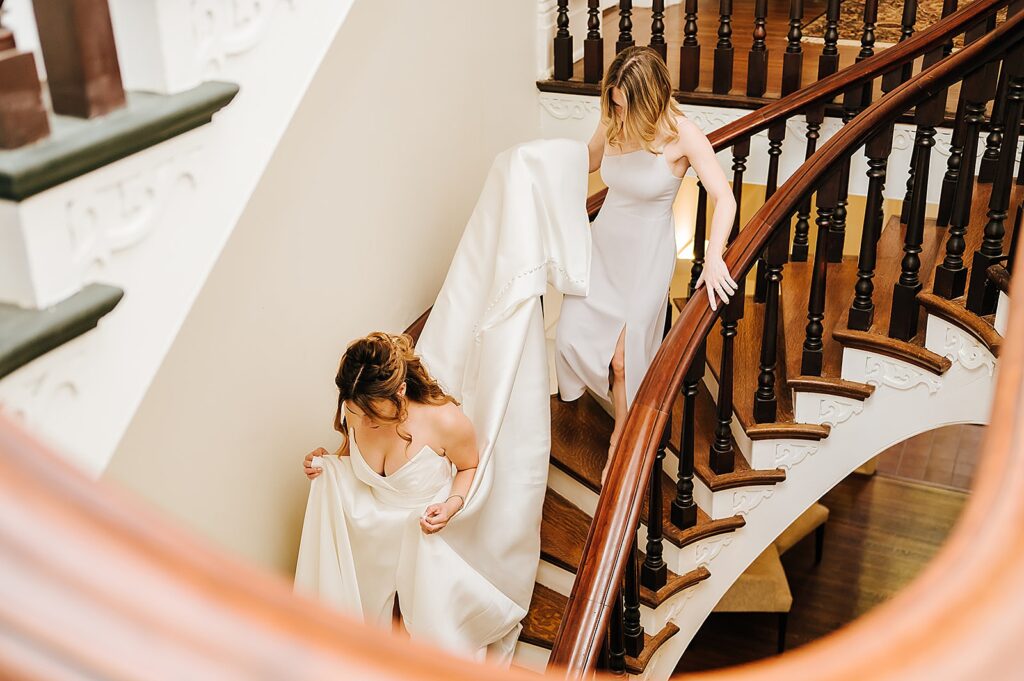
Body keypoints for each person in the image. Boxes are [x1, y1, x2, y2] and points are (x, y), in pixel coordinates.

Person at [554, 46, 738, 483]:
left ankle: (625, 432)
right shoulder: (613, 120)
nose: (618, 112)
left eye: (624, 103)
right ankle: (623, 411)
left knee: (623, 358)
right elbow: (590, 160)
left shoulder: (682, 134)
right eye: (613, 102)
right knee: (569, 335)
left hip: (647, 256)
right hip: (604, 248)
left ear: (649, 98)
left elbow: (724, 196)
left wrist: (713, 255)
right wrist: (546, 171)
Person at [296, 331, 524, 658]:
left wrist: (452, 505)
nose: (364, 423)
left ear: (400, 391)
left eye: (374, 418)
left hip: (424, 533)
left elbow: (470, 467)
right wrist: (326, 464)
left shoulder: (444, 420)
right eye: (357, 414)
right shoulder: (358, 412)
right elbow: (349, 454)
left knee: (418, 634)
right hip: (373, 529)